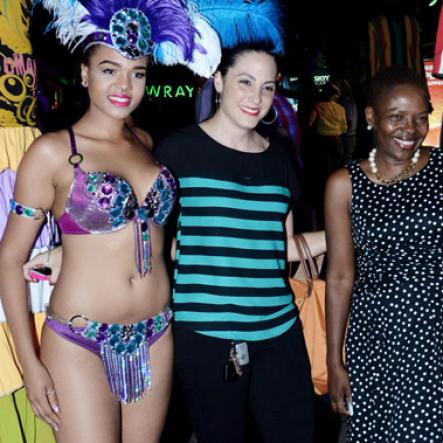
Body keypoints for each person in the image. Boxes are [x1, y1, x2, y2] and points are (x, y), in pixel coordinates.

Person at [0, 1, 203, 440]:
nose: (124, 85)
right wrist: (29, 363)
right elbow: (9, 259)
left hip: (156, 332)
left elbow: (150, 237)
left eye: (138, 72)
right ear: (86, 74)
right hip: (80, 340)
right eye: (109, 70)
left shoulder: (146, 142)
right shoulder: (52, 151)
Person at [155, 43, 326, 443]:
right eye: (245, 82)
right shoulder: (178, 153)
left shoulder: (280, 159)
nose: (257, 97)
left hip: (278, 328)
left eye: (267, 87)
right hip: (207, 334)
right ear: (218, 81)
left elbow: (279, 247)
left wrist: (346, 235)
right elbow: (152, 241)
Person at [325, 66, 442, 442]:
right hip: (375, 339)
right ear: (371, 116)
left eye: (421, 117)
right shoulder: (344, 184)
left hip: (433, 332)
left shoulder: (440, 169)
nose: (411, 129)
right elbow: (341, 277)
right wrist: (334, 359)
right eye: (397, 117)